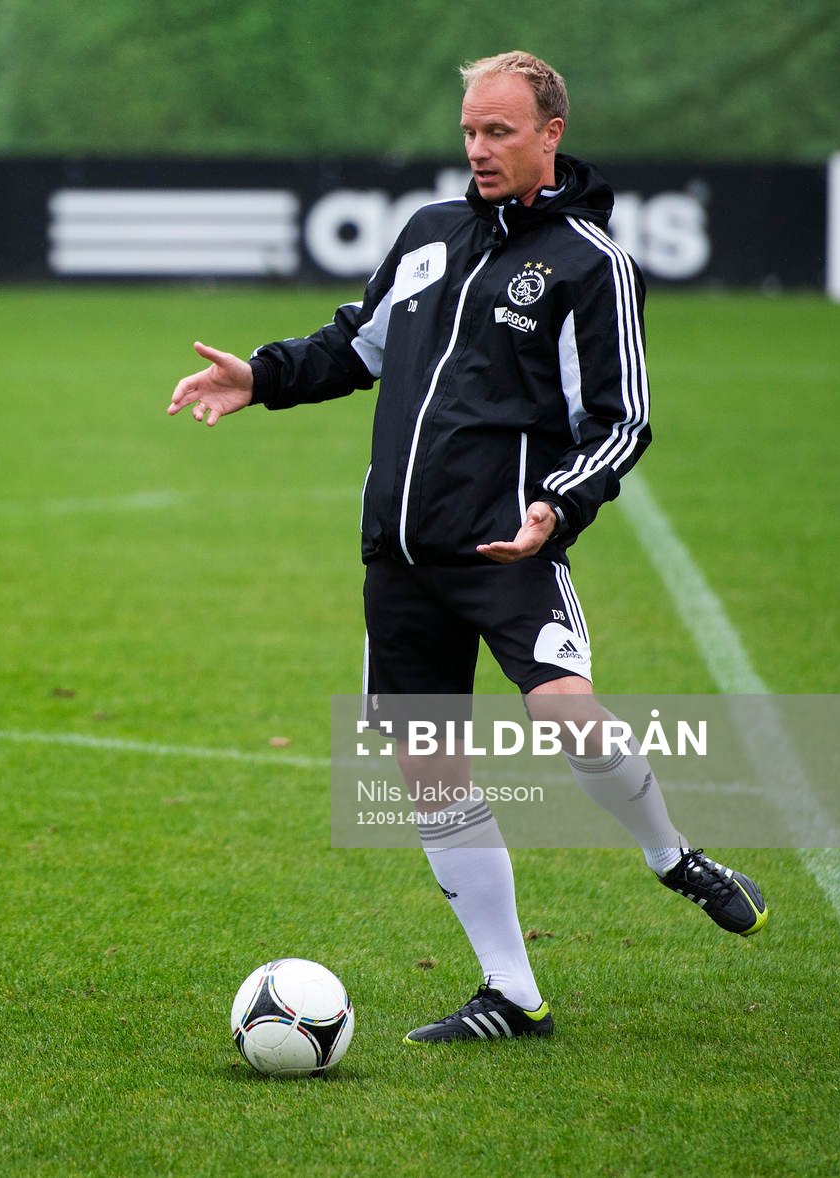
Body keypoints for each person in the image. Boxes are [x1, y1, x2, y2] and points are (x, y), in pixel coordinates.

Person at [167, 51, 767, 1044]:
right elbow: (358, 344)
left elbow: (621, 421)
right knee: (428, 766)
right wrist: (262, 376)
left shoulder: (589, 264)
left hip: (506, 545)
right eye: (469, 131)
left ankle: (672, 855)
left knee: (568, 714)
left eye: (499, 132)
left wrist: (556, 505)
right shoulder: (429, 234)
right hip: (398, 551)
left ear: (550, 135)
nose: (479, 150)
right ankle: (510, 989)